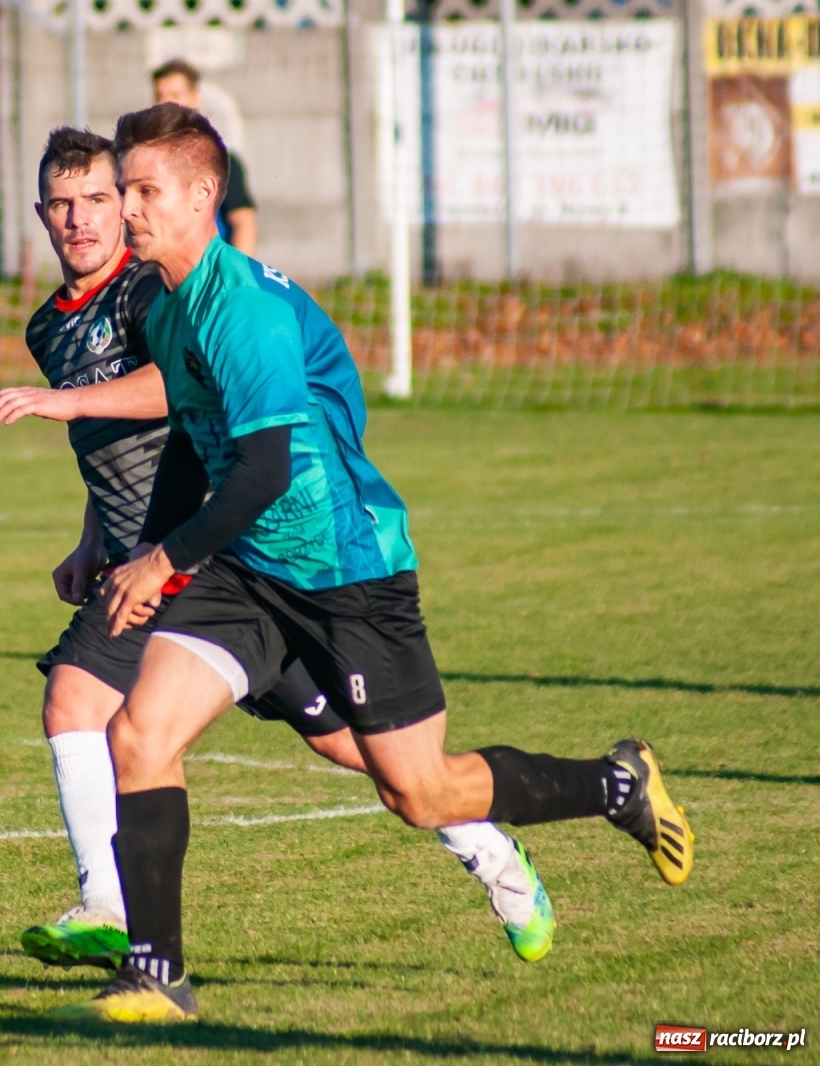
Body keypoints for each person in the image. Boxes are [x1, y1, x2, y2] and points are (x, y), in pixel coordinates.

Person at [59, 104, 693, 1023]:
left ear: (206, 196)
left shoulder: (245, 313)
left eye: (146, 191)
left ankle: (617, 783)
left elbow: (269, 470)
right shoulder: (162, 305)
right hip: (244, 569)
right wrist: (138, 555)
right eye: (127, 191)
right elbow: (198, 451)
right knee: (138, 734)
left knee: (421, 791)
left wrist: (162, 558)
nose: (130, 209)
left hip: (346, 569)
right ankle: (156, 974)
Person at [0, 128, 555, 976]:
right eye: (63, 205)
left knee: (78, 700)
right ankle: (489, 852)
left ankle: (112, 909)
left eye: (103, 199)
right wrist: (93, 535)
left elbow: (175, 394)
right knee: (334, 740)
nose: (85, 220)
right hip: (165, 552)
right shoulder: (50, 326)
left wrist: (67, 405)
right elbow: (114, 448)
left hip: (212, 549)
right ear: (40, 215)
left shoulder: (154, 291)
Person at [151, 59, 257, 256]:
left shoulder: (221, 159)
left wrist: (234, 279)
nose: (165, 103)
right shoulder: (147, 160)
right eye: (159, 95)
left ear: (195, 99)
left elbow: (244, 224)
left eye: (175, 95)